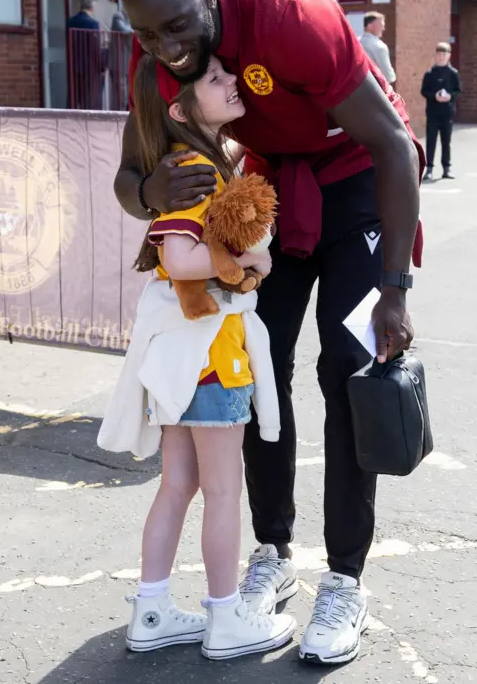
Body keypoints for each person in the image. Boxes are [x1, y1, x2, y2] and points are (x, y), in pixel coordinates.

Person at [112, 0, 424, 666]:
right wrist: (153, 191)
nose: (165, 47)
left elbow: (391, 147)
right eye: (146, 32)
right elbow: (131, 179)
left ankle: (345, 577)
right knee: (257, 369)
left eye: (177, 26)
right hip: (267, 191)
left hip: (357, 186)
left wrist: (395, 289)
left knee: (349, 371)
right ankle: (272, 549)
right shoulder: (152, 49)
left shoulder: (291, 14)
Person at [116, 53, 297, 660]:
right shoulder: (196, 166)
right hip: (212, 361)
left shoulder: (198, 160)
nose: (231, 83)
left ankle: (152, 609)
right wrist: (248, 262)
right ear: (179, 109)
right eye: (214, 80)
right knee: (223, 492)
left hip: (185, 359)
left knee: (179, 485)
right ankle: (225, 620)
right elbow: (179, 258)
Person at [421, 42, 462, 181]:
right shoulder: (430, 73)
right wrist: (434, 96)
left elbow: (458, 90)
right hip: (433, 112)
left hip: (447, 112)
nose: (441, 57)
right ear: (435, 56)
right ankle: (429, 169)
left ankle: (446, 168)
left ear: (449, 56)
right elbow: (424, 91)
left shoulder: (453, 73)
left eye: (444, 54)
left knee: (446, 141)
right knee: (431, 141)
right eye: (439, 54)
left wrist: (450, 96)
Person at [67, 0, 106, 110]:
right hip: (88, 67)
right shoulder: (93, 24)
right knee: (88, 98)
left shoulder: (70, 22)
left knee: (74, 96)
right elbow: (95, 46)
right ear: (91, 8)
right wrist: (100, 65)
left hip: (73, 64)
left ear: (80, 6)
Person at [360, 11, 396, 85]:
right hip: (374, 88)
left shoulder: (355, 42)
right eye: (381, 25)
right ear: (370, 26)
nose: (383, 29)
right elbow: (388, 75)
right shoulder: (379, 46)